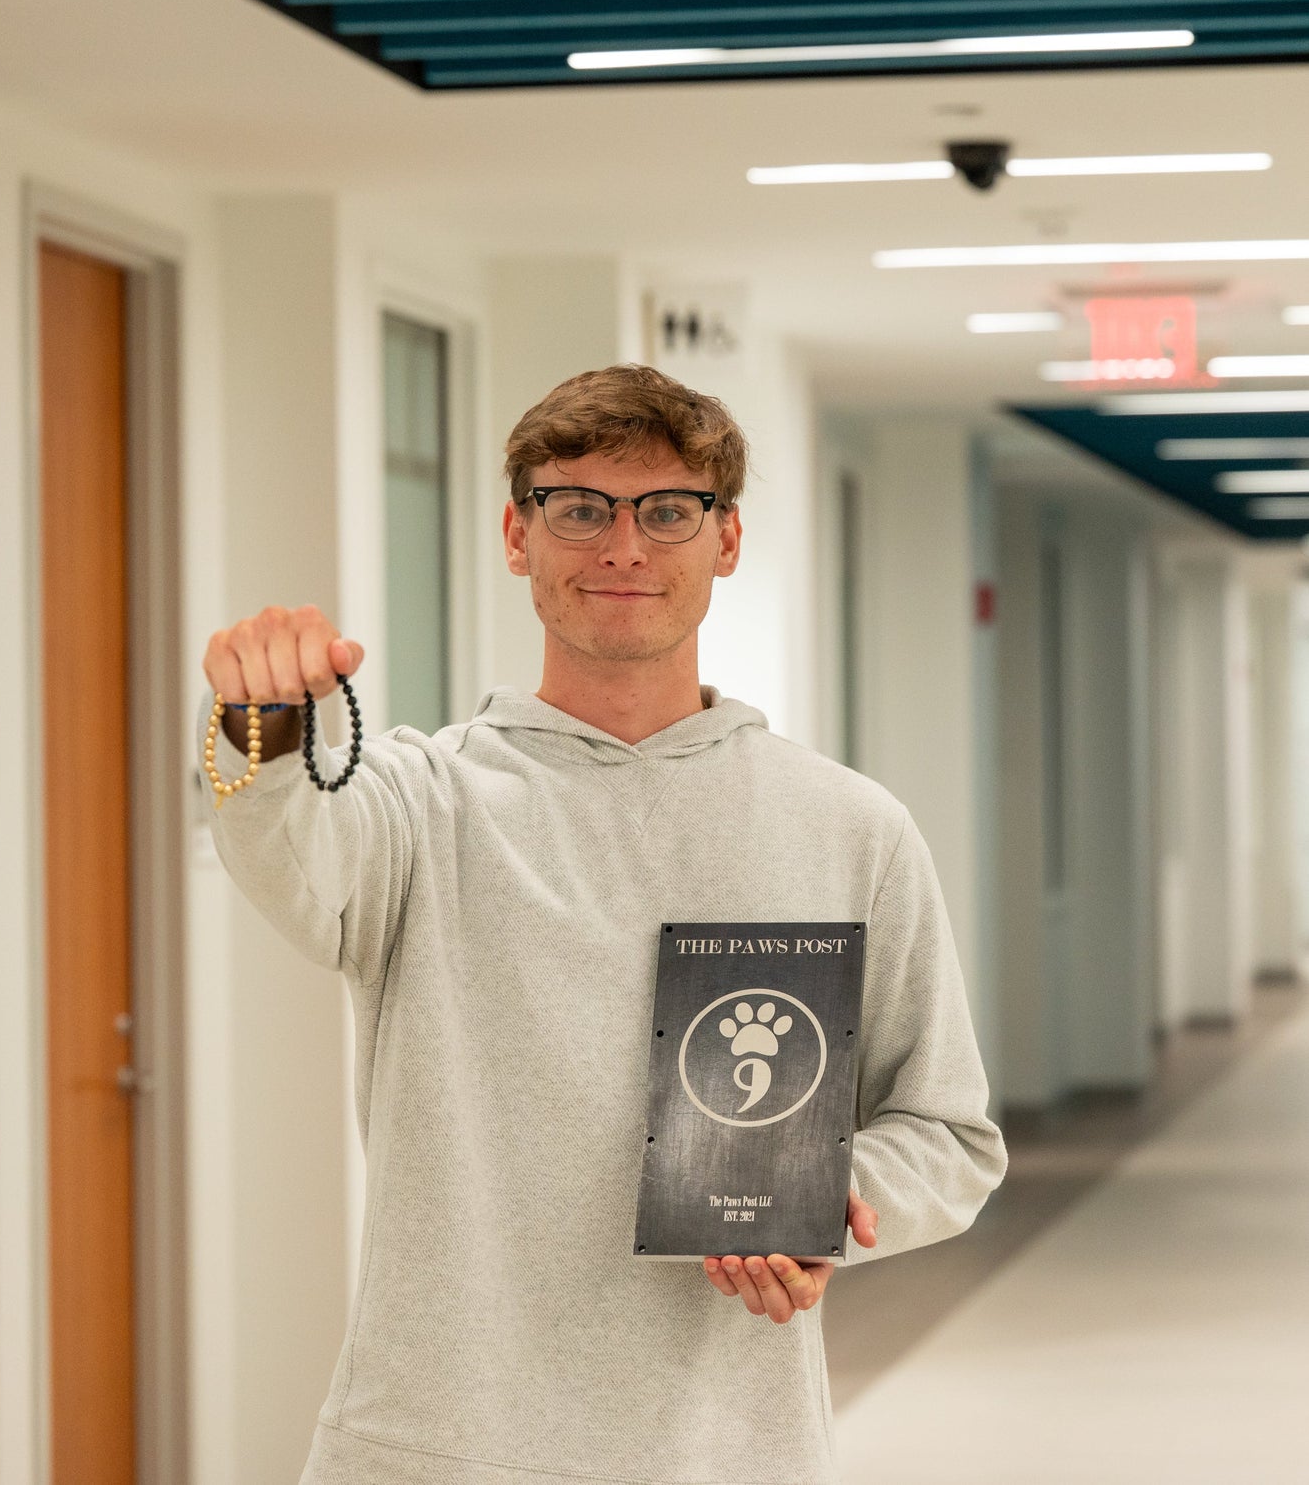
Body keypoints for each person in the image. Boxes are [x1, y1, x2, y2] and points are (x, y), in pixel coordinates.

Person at [199, 363, 1007, 1485]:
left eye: (668, 509)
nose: (623, 547)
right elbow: (280, 848)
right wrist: (253, 720)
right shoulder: (417, 804)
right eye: (578, 506)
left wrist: (826, 1200)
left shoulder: (847, 826)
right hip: (434, 1442)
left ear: (725, 540)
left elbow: (949, 1131)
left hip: (732, 1448)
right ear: (517, 535)